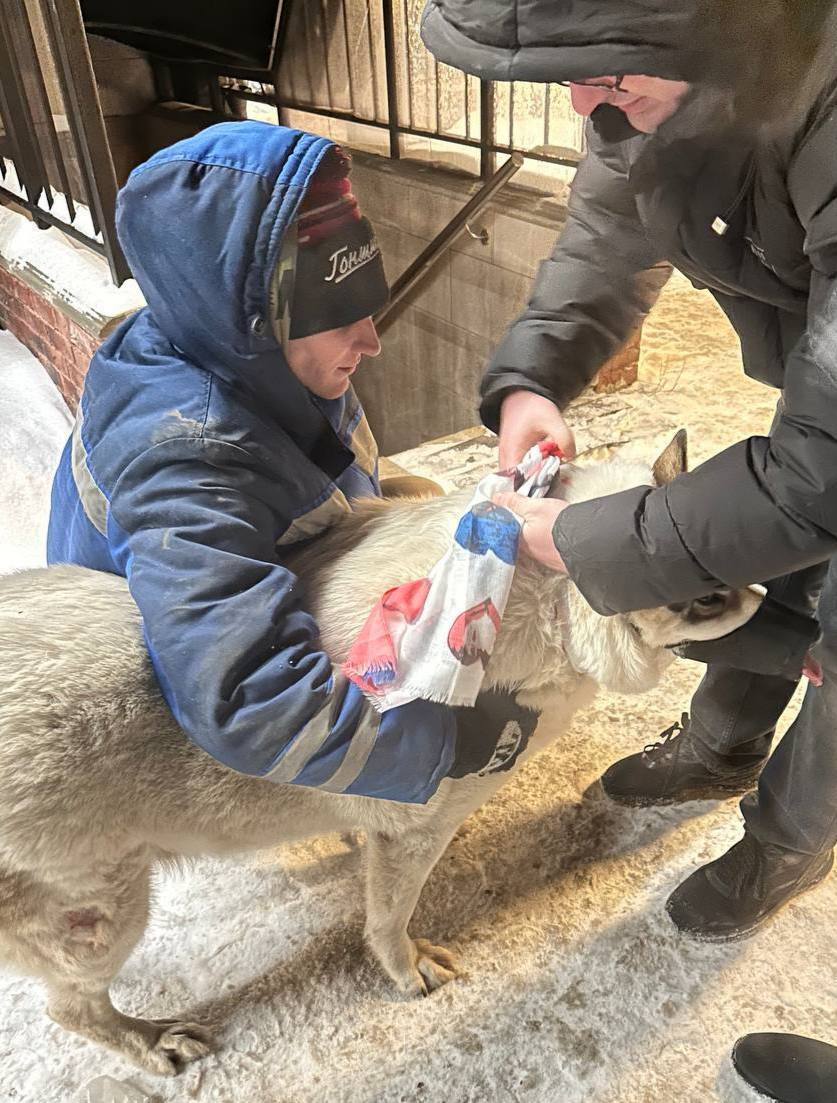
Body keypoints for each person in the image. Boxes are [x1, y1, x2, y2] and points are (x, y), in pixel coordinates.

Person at [421, 0, 837, 942]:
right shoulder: (654, 81)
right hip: (822, 382)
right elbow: (609, 230)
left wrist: (580, 538)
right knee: (768, 548)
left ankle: (791, 835)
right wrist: (533, 379)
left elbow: (824, 466)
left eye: (610, 78)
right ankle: (723, 744)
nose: (581, 103)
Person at [46, 121, 539, 803]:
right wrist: (448, 742)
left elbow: (330, 469)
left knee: (423, 495)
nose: (371, 342)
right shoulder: (186, 458)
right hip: (163, 661)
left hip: (254, 561)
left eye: (367, 309)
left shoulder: (250, 348)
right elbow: (247, 695)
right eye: (341, 317)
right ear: (252, 321)